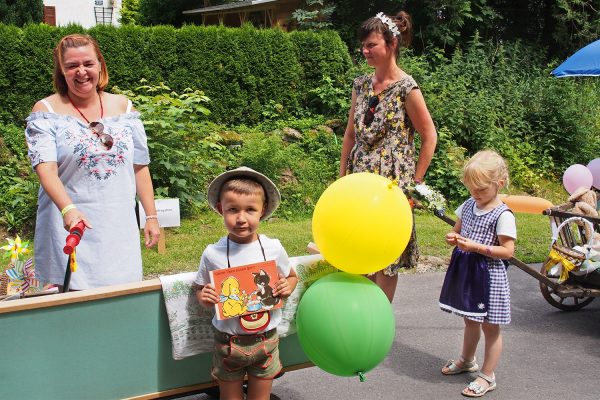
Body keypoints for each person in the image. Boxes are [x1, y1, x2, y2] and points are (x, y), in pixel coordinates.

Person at [25, 34, 160, 290]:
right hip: (68, 225)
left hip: (117, 225)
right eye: (72, 66)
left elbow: (140, 167)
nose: (81, 72)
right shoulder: (46, 112)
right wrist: (68, 209)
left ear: (100, 65)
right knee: (68, 306)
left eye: (88, 63)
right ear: (61, 71)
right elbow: (46, 170)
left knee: (121, 298)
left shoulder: (124, 108)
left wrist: (151, 216)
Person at [339, 11, 438, 302]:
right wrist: (341, 176)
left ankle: (378, 319)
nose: (364, 51)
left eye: (371, 45)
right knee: (359, 246)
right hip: (359, 179)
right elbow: (349, 135)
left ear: (391, 43)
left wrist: (415, 183)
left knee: (385, 254)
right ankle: (359, 312)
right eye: (363, 46)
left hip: (391, 183)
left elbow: (429, 135)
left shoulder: (407, 88)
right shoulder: (360, 85)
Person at [195, 167, 298, 400]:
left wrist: (287, 287)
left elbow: (291, 276)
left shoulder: (273, 248)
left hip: (266, 341)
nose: (241, 218)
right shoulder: (213, 254)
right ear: (221, 210)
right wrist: (205, 297)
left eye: (250, 210)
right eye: (233, 210)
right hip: (229, 344)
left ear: (262, 211)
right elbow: (200, 289)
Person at [438, 150, 516, 397]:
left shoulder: (502, 214)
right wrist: (454, 238)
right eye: (471, 189)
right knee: (470, 319)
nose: (475, 194)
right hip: (467, 272)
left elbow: (507, 251)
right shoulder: (469, 204)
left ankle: (487, 375)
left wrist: (475, 247)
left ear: (498, 184)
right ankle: (467, 360)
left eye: (481, 190)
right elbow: (459, 231)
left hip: (489, 276)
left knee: (490, 327)